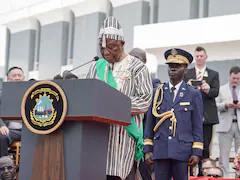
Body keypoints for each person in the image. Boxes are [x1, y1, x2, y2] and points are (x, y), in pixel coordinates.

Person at [86, 16, 153, 180]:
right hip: (97, 133)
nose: (106, 52)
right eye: (102, 48)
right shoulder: (96, 66)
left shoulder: (137, 67)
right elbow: (86, 94)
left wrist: (114, 109)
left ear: (122, 44)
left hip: (123, 134)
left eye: (111, 47)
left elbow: (144, 100)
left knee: (115, 175)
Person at [144, 48, 203, 180]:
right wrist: (148, 149)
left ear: (186, 69)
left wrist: (196, 151)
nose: (173, 69)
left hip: (182, 150)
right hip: (161, 149)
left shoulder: (193, 94)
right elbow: (149, 123)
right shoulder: (157, 92)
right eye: (170, 66)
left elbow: (197, 125)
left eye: (177, 66)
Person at [184, 46, 219, 175]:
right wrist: (187, 87)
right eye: (197, 56)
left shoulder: (213, 74)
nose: (199, 58)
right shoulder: (188, 73)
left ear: (206, 57)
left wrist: (208, 89)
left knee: (205, 146)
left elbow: (216, 92)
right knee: (190, 144)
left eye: (201, 56)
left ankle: (204, 172)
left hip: (207, 115)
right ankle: (191, 173)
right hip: (190, 114)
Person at [215, 66, 240, 177]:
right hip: (225, 125)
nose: (235, 80)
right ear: (229, 76)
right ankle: (224, 177)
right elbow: (215, 106)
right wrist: (226, 105)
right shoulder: (221, 89)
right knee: (224, 155)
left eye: (238, 78)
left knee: (239, 155)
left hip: (239, 125)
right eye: (234, 78)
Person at [0, 67, 24, 158]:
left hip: (28, 130)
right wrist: (1, 125)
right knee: (2, 137)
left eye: (20, 75)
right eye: (14, 76)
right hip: (9, 130)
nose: (17, 78)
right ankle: (5, 168)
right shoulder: (2, 94)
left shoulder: (32, 93)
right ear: (8, 78)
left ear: (23, 78)